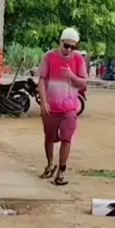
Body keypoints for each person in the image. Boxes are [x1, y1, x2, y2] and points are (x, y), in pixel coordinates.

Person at [37, 27, 88, 186]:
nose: (69, 50)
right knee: (49, 137)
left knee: (67, 137)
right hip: (51, 106)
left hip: (69, 107)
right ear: (60, 42)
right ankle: (50, 165)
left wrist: (71, 75)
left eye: (73, 47)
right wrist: (43, 101)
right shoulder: (49, 57)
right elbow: (42, 80)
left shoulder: (78, 59)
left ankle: (61, 171)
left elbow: (83, 82)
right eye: (66, 45)